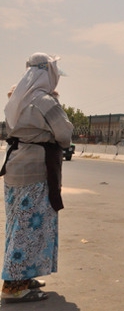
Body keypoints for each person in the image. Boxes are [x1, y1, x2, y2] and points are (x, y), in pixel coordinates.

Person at [1, 53, 73, 304]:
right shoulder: (44, 101)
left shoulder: (16, 98)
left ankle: (24, 276)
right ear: (48, 72)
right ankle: (13, 287)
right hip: (36, 171)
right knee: (29, 229)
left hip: (15, 168)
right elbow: (65, 134)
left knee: (17, 225)